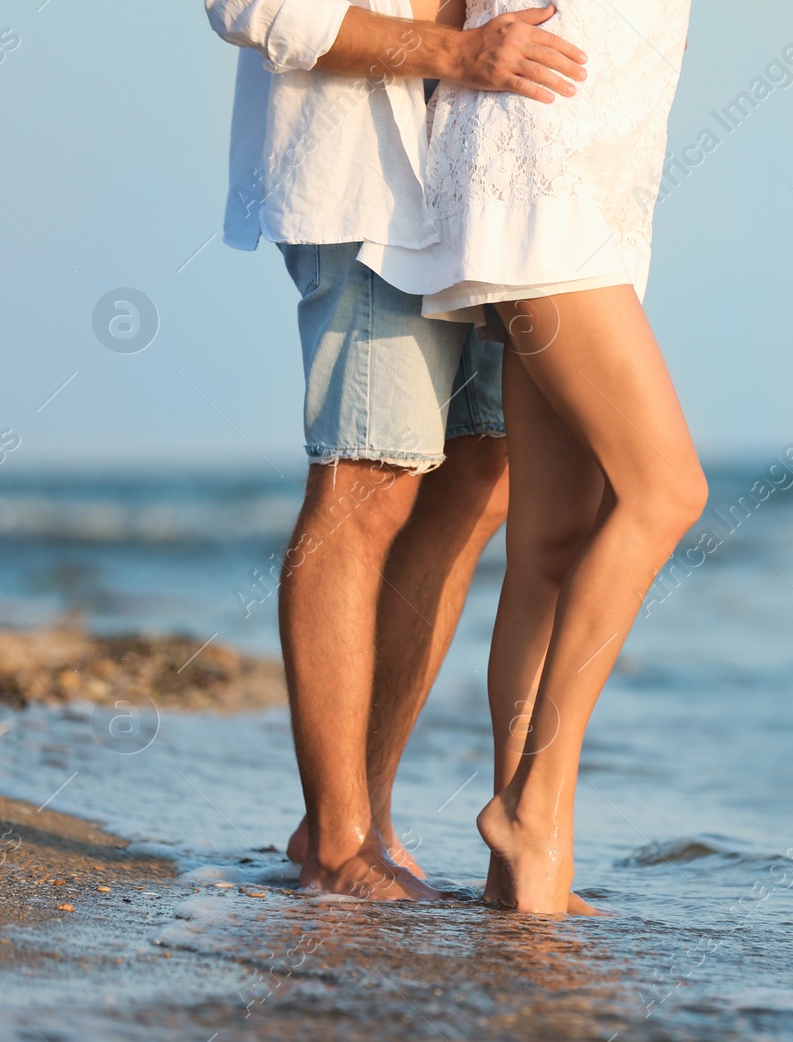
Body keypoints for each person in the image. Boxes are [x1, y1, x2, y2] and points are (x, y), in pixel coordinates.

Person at [203, 0, 591, 902]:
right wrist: (454, 52)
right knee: (365, 482)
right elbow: (253, 9)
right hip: (368, 184)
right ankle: (338, 845)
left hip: (496, 188)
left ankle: (361, 814)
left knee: (483, 479)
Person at [360, 0, 706, 914]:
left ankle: (521, 866)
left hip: (605, 151)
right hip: (536, 157)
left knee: (552, 539)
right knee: (667, 492)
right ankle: (535, 810)